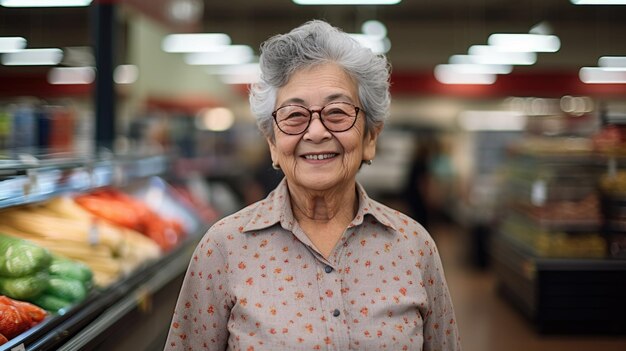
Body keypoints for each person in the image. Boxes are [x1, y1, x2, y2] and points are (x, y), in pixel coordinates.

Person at [165, 20, 461, 351]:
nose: (316, 132)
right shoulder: (223, 249)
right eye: (294, 116)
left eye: (337, 112)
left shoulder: (414, 247)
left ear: (370, 137)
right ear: (273, 143)